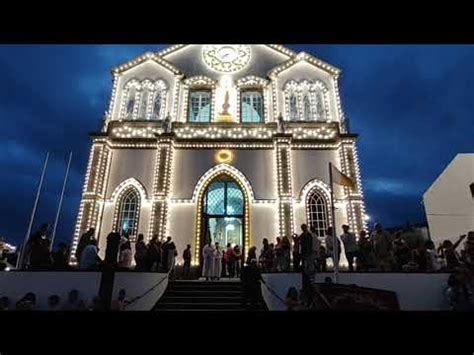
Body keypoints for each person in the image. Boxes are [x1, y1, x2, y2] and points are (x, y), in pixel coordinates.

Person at [300, 224, 319, 296]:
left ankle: (311, 279)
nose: (302, 229)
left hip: (308, 252)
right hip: (305, 252)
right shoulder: (304, 235)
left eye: (303, 227)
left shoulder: (309, 235)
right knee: (306, 265)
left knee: (310, 265)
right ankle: (308, 277)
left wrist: (310, 250)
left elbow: (310, 244)